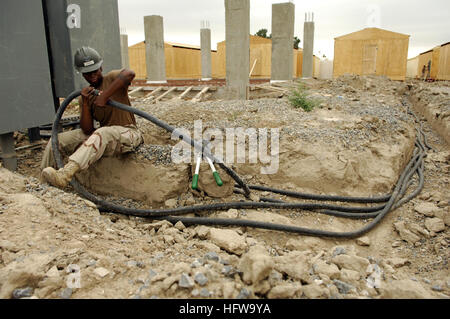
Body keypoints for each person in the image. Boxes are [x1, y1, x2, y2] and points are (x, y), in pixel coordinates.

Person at [41, 46, 143, 188]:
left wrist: (104, 96)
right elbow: (87, 129)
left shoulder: (112, 78)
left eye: (95, 71)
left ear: (101, 67)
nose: (92, 75)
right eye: (88, 73)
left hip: (128, 134)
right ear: (82, 74)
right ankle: (42, 183)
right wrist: (86, 105)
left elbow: (129, 74)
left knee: (102, 132)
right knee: (57, 140)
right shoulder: (86, 96)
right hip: (104, 138)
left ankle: (65, 174)